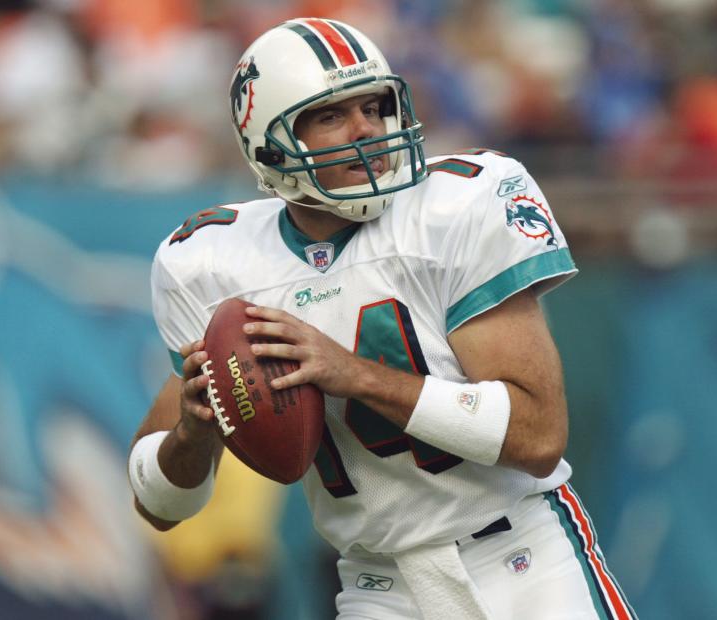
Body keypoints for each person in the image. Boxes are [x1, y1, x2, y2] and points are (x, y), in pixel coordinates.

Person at [128, 17, 636, 620]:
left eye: (373, 106)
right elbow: (158, 505)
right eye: (332, 115)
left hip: (522, 562)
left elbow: (537, 436)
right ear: (270, 145)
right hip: (377, 588)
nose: (367, 128)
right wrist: (193, 432)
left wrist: (356, 375)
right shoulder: (215, 262)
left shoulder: (455, 207)